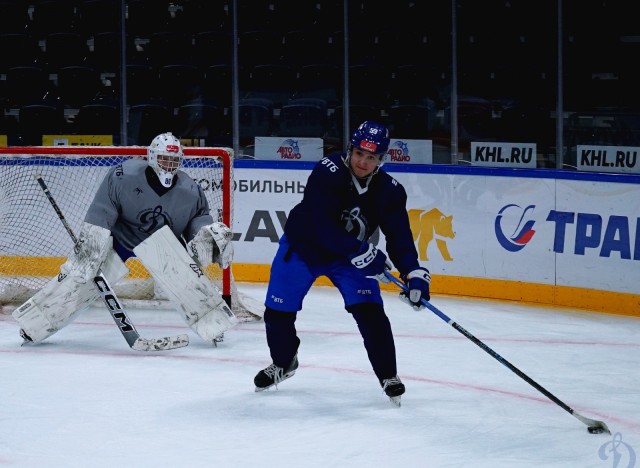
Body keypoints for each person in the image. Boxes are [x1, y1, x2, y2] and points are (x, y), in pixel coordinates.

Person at [253, 121, 431, 405]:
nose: (363, 161)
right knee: (277, 313)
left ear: (381, 160)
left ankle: (388, 375)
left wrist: (413, 271)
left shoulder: (390, 191)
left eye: (371, 157)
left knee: (371, 313)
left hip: (350, 258)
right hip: (304, 249)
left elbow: (399, 236)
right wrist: (359, 251)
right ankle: (284, 363)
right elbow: (321, 225)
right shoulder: (328, 170)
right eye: (359, 153)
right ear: (350, 149)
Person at [13, 132, 236, 346]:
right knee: (80, 278)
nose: (169, 165)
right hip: (122, 237)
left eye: (174, 160)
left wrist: (204, 234)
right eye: (164, 159)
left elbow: (198, 218)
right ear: (151, 157)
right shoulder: (122, 175)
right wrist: (91, 249)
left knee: (189, 281)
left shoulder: (190, 190)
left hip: (163, 241)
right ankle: (36, 324)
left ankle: (215, 326)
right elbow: (102, 210)